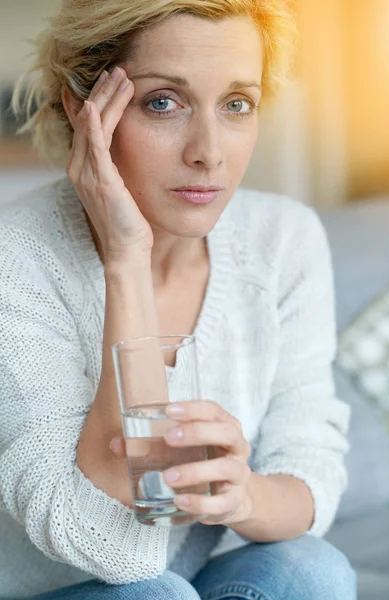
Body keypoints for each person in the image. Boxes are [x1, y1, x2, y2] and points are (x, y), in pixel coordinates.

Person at [0, 1, 357, 598]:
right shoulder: (15, 259)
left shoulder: (283, 241)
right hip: (61, 584)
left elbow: (311, 475)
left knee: (313, 568)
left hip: (196, 575)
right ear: (81, 108)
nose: (209, 152)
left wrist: (242, 495)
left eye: (237, 104)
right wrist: (126, 260)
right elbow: (113, 549)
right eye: (163, 102)